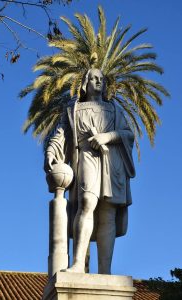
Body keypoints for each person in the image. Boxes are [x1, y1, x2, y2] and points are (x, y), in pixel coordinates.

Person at [44, 68, 135, 274]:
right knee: (87, 202)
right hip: (86, 155)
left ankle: (105, 270)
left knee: (108, 212)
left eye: (102, 79)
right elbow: (62, 133)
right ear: (86, 82)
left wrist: (107, 137)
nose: (99, 82)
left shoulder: (114, 108)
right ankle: (78, 264)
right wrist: (51, 150)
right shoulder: (74, 108)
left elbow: (128, 135)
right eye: (94, 78)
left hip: (111, 160)